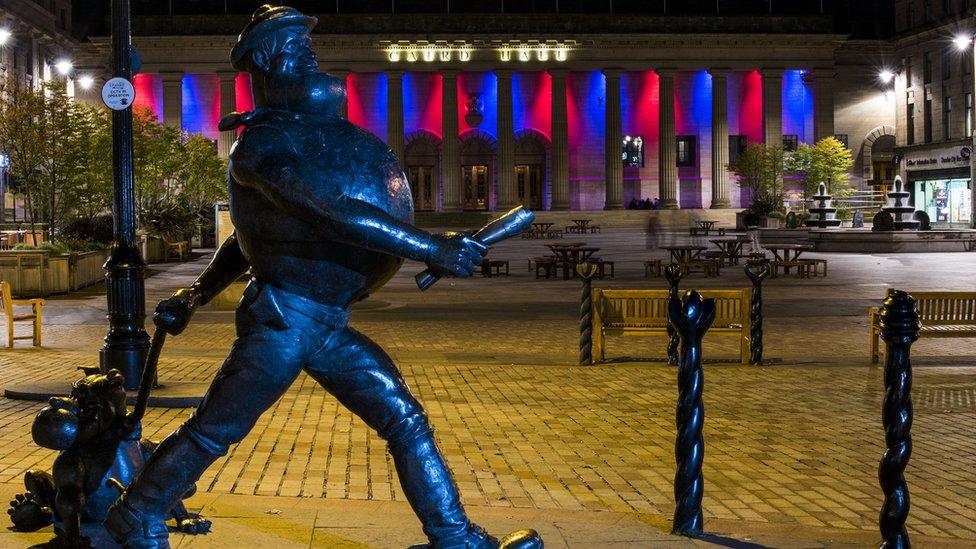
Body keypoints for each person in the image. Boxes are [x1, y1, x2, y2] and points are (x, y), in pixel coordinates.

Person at [104, 6, 542, 549]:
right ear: (265, 64)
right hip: (286, 320)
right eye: (294, 48)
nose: (310, 54)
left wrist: (196, 293)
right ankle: (136, 514)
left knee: (404, 419)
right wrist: (431, 246)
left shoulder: (305, 135)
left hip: (324, 321)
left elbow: (249, 237)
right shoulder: (262, 146)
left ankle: (453, 537)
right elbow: (328, 208)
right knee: (215, 430)